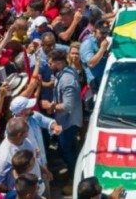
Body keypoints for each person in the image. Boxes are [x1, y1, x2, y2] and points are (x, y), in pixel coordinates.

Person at [46, 49, 82, 184]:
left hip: (69, 122)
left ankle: (74, 179)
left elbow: (67, 106)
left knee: (67, 151)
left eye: (51, 63)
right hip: (64, 120)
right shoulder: (63, 73)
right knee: (68, 149)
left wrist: (52, 106)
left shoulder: (67, 79)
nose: (49, 65)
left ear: (59, 63)